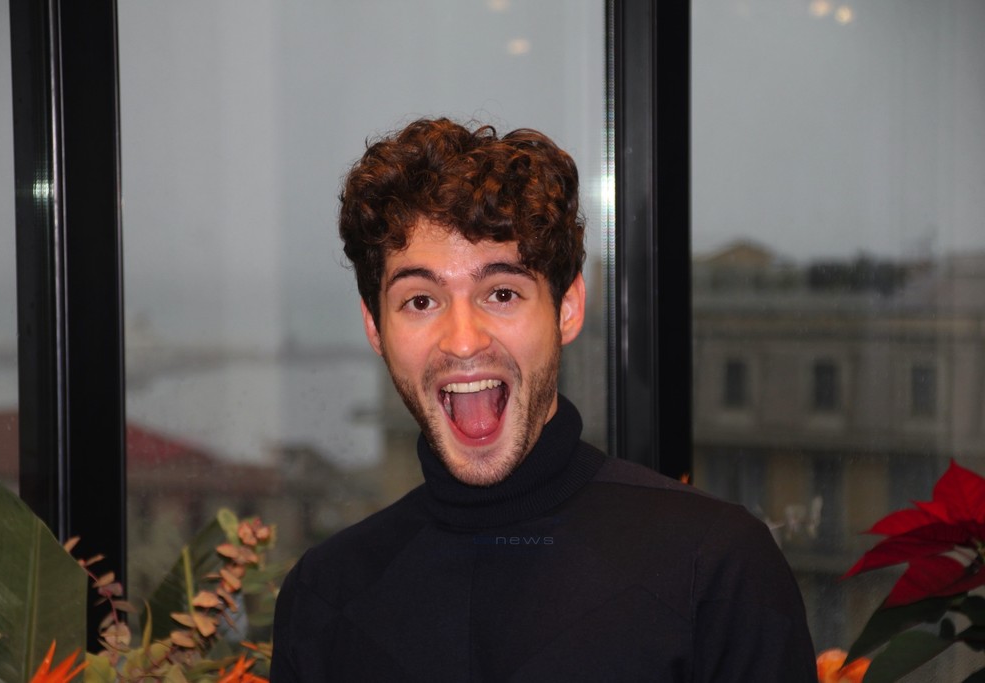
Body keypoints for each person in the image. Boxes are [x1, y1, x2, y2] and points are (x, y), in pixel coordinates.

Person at [271, 118, 816, 681]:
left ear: (568, 309)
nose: (463, 340)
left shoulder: (715, 570)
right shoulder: (324, 597)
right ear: (375, 329)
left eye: (502, 293)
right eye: (420, 301)